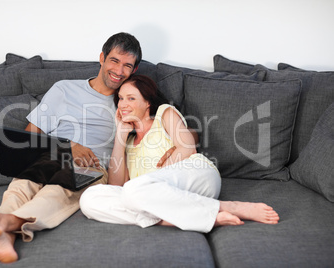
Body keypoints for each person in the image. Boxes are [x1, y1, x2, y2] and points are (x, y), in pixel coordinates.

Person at [0, 32, 143, 263]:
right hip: (51, 154)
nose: (119, 70)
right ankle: (4, 232)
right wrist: (68, 146)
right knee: (22, 185)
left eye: (127, 65)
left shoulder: (130, 100)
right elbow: (30, 136)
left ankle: (5, 226)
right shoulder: (64, 89)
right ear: (102, 58)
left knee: (56, 192)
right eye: (114, 60)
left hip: (90, 166)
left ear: (134, 71)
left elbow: (162, 121)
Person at [80, 75, 280, 232]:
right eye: (121, 98)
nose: (122, 104)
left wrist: (153, 182)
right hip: (158, 199)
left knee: (134, 189)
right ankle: (178, 219)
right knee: (89, 199)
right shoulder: (129, 141)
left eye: (131, 98)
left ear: (147, 102)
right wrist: (120, 137)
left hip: (195, 175)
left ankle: (228, 206)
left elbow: (187, 148)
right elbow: (117, 186)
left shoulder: (164, 114)